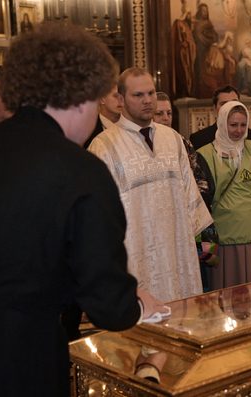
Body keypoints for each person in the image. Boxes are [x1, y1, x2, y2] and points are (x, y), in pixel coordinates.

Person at [0, 23, 165, 397]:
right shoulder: (81, 171)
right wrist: (140, 305)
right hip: (21, 361)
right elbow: (108, 305)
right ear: (82, 97)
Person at [88, 67, 212, 302]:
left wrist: (205, 248)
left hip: (178, 259)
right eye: (138, 95)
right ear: (121, 99)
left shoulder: (173, 140)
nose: (147, 101)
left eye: (151, 93)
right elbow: (99, 218)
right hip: (135, 263)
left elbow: (191, 200)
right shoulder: (103, 146)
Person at [197, 101, 251, 289]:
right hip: (221, 235)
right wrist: (204, 241)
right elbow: (200, 201)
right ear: (222, 123)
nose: (239, 130)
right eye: (233, 125)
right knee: (225, 292)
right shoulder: (204, 154)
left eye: (243, 125)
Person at [154, 91, 215, 291]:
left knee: (193, 275)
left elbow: (202, 184)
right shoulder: (143, 145)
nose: (165, 118)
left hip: (187, 222)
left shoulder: (182, 142)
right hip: (159, 225)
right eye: (160, 113)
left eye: (169, 113)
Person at [189, 85, 251, 150]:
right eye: (224, 104)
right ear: (214, 108)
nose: (230, 107)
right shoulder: (199, 139)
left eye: (234, 103)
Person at [84, 83, 123, 148]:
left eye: (123, 96)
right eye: (116, 96)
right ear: (102, 99)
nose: (121, 100)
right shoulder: (88, 129)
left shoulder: (133, 125)